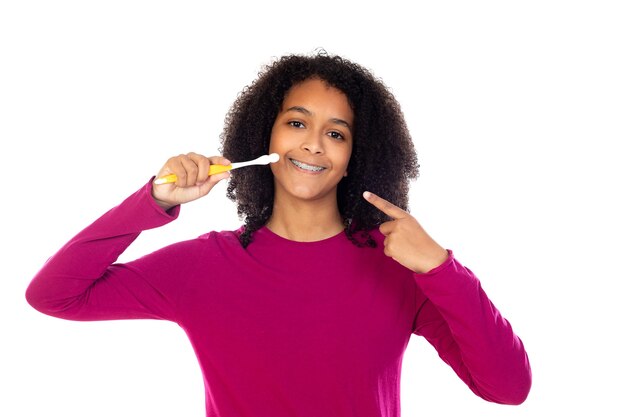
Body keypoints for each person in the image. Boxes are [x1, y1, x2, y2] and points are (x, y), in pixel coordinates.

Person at [26, 51, 532, 416]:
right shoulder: (204, 266)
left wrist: (440, 267)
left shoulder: (398, 266)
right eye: (296, 123)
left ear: (357, 155)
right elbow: (53, 295)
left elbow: (508, 388)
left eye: (336, 133)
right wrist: (152, 201)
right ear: (264, 135)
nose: (313, 145)